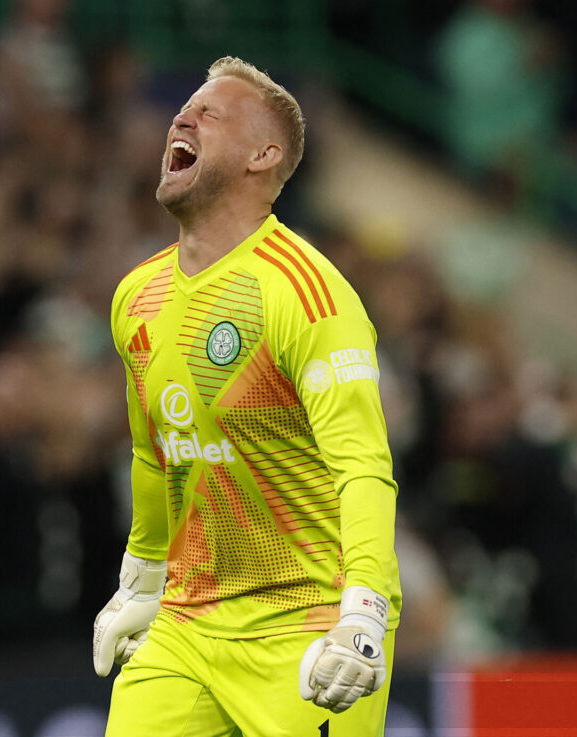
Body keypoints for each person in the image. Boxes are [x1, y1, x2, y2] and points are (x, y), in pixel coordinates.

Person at [93, 57, 402, 736]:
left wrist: (364, 613)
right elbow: (156, 453)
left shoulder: (305, 292)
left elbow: (364, 467)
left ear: (263, 155)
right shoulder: (135, 297)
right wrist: (142, 577)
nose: (182, 117)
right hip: (188, 623)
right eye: (183, 110)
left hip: (308, 623)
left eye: (210, 112)